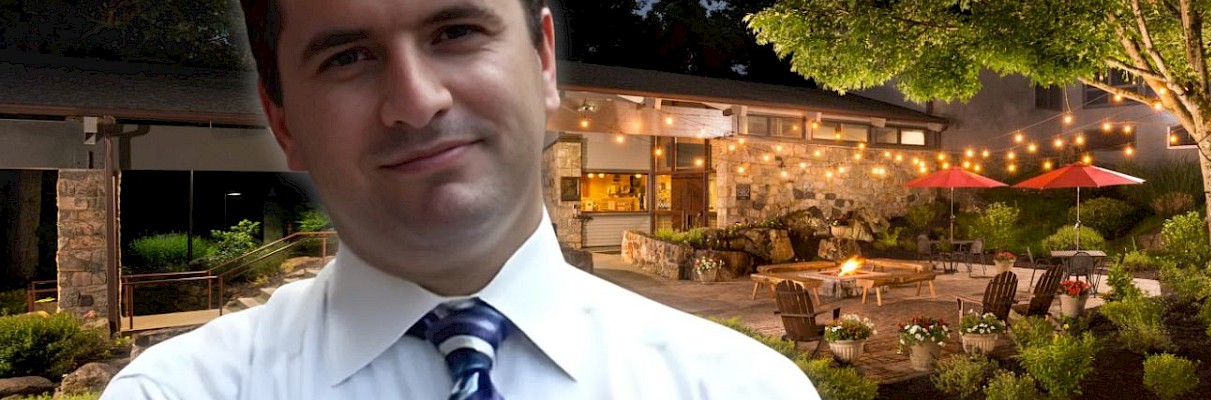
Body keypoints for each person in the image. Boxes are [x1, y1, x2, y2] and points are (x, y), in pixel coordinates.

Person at [100, 0, 819, 398]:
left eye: (456, 31)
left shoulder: (738, 388)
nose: (415, 101)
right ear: (284, 120)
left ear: (542, 62)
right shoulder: (176, 394)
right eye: (347, 56)